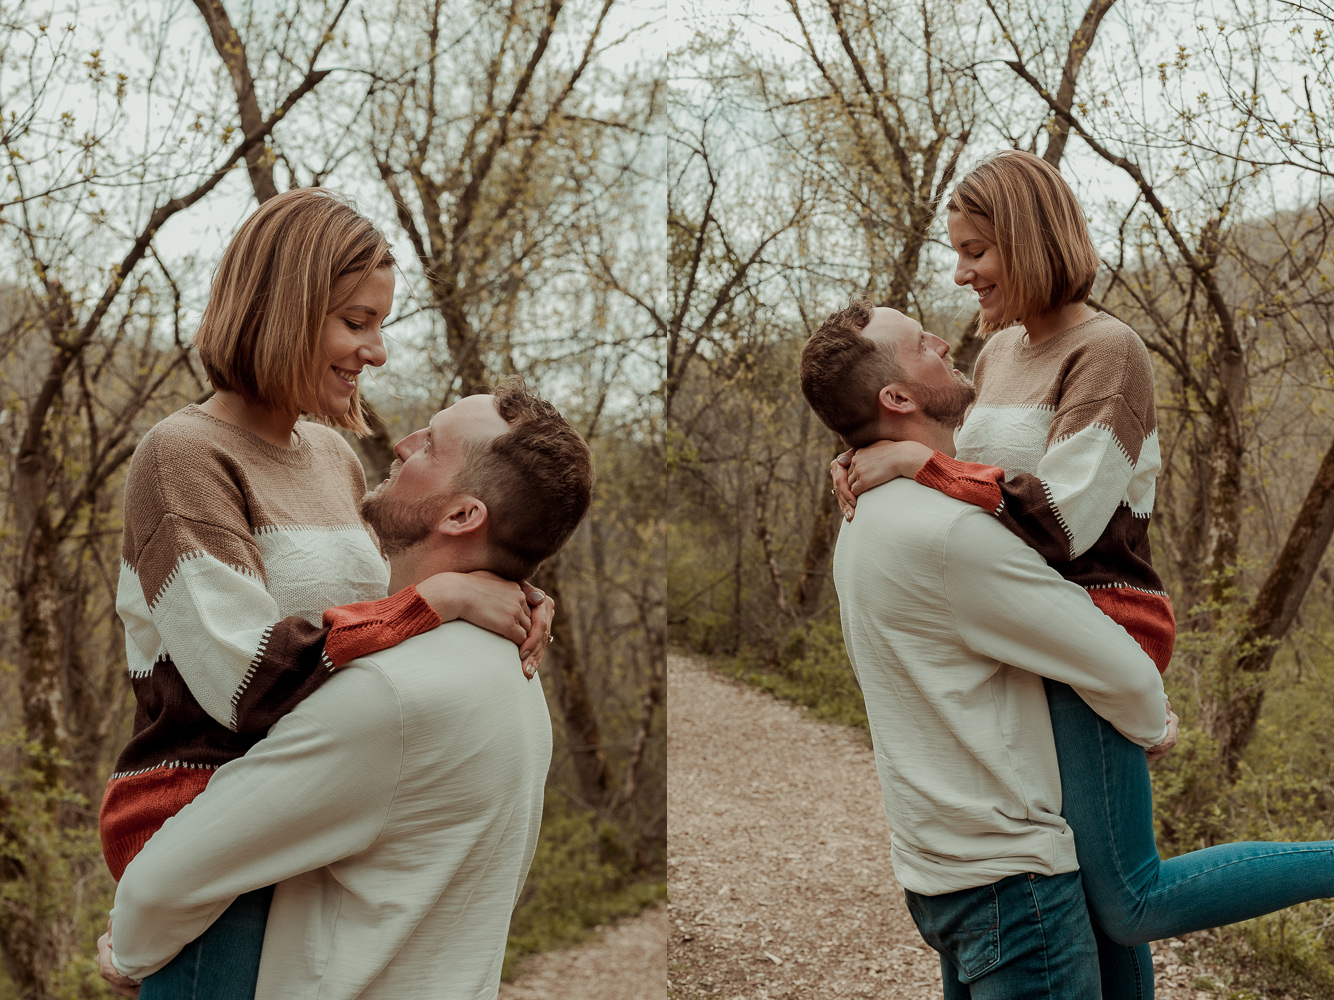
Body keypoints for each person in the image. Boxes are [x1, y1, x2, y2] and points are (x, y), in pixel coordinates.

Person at [804, 299, 1334, 997]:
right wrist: (1154, 725)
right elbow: (1119, 663)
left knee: (1123, 908)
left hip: (938, 876)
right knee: (1136, 900)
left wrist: (900, 456)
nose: (942, 336)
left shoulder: (863, 513)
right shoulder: (952, 536)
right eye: (921, 344)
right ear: (896, 396)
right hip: (1011, 886)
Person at [100, 189, 554, 1000]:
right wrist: (442, 602)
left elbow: (383, 618)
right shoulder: (184, 457)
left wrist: (503, 587)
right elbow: (247, 682)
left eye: (379, 323)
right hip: (207, 848)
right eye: (355, 322)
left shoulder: (333, 458)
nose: (375, 352)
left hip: (311, 824)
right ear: (282, 311)